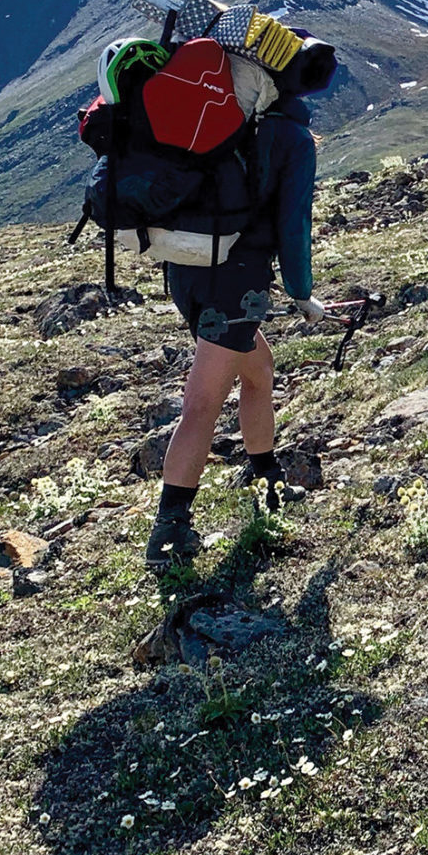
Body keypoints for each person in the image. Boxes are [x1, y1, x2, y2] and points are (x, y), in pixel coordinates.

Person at [144, 86, 326, 571]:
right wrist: (301, 293)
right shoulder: (289, 136)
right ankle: (169, 530)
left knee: (259, 370)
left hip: (185, 268)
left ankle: (267, 478)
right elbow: (293, 224)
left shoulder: (215, 116)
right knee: (203, 402)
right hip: (237, 283)